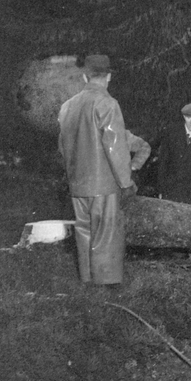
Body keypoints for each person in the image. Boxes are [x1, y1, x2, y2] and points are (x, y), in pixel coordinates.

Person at [57, 53, 136, 288]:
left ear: (85, 77)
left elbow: (62, 147)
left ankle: (87, 281)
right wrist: (126, 182)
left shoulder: (67, 106)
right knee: (105, 236)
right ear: (109, 77)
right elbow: (115, 147)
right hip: (103, 184)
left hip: (77, 184)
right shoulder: (107, 104)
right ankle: (106, 286)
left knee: (84, 231)